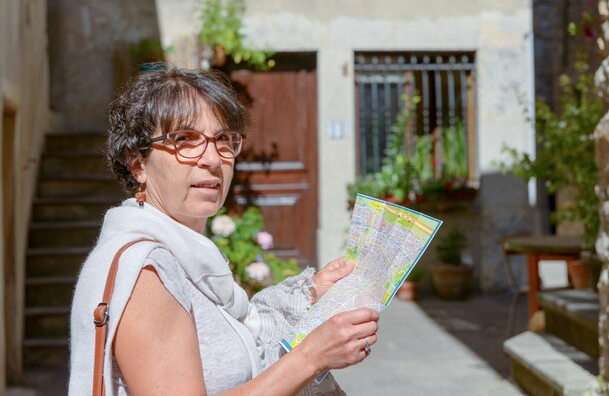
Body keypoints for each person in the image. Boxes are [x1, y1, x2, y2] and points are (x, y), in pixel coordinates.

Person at [68, 68, 379, 395]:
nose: (213, 158)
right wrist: (311, 357)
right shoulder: (149, 271)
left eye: (223, 139)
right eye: (184, 139)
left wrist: (310, 292)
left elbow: (240, 329)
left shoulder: (187, 252)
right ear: (138, 165)